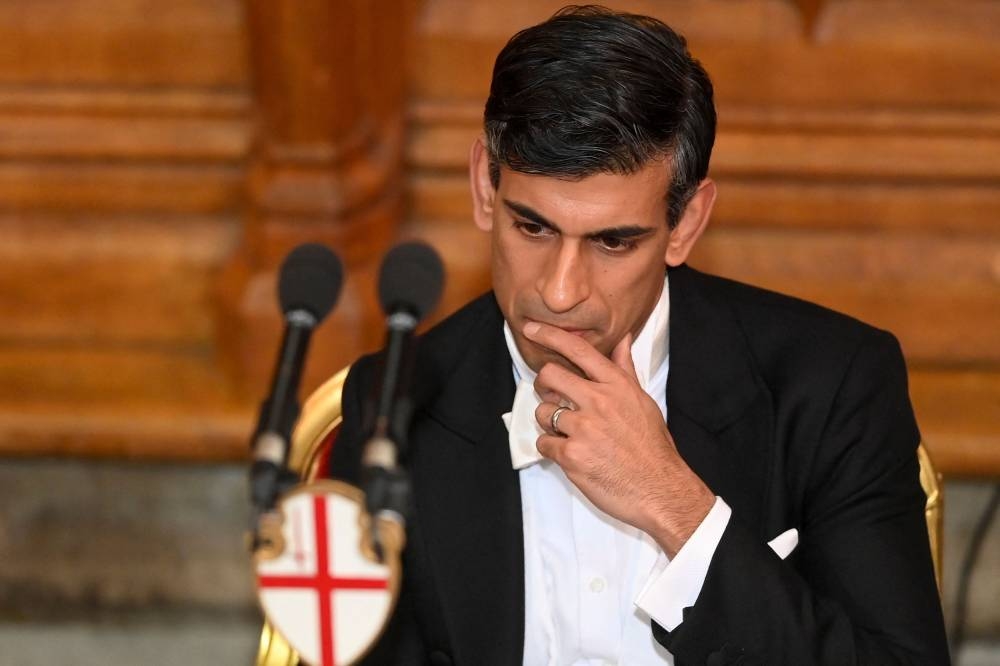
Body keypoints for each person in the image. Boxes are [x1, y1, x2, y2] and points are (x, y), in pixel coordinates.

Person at [329, 6, 949, 664]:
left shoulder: (830, 385)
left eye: (612, 241)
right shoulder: (395, 404)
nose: (561, 291)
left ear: (685, 224)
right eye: (532, 227)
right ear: (486, 186)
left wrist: (676, 505)